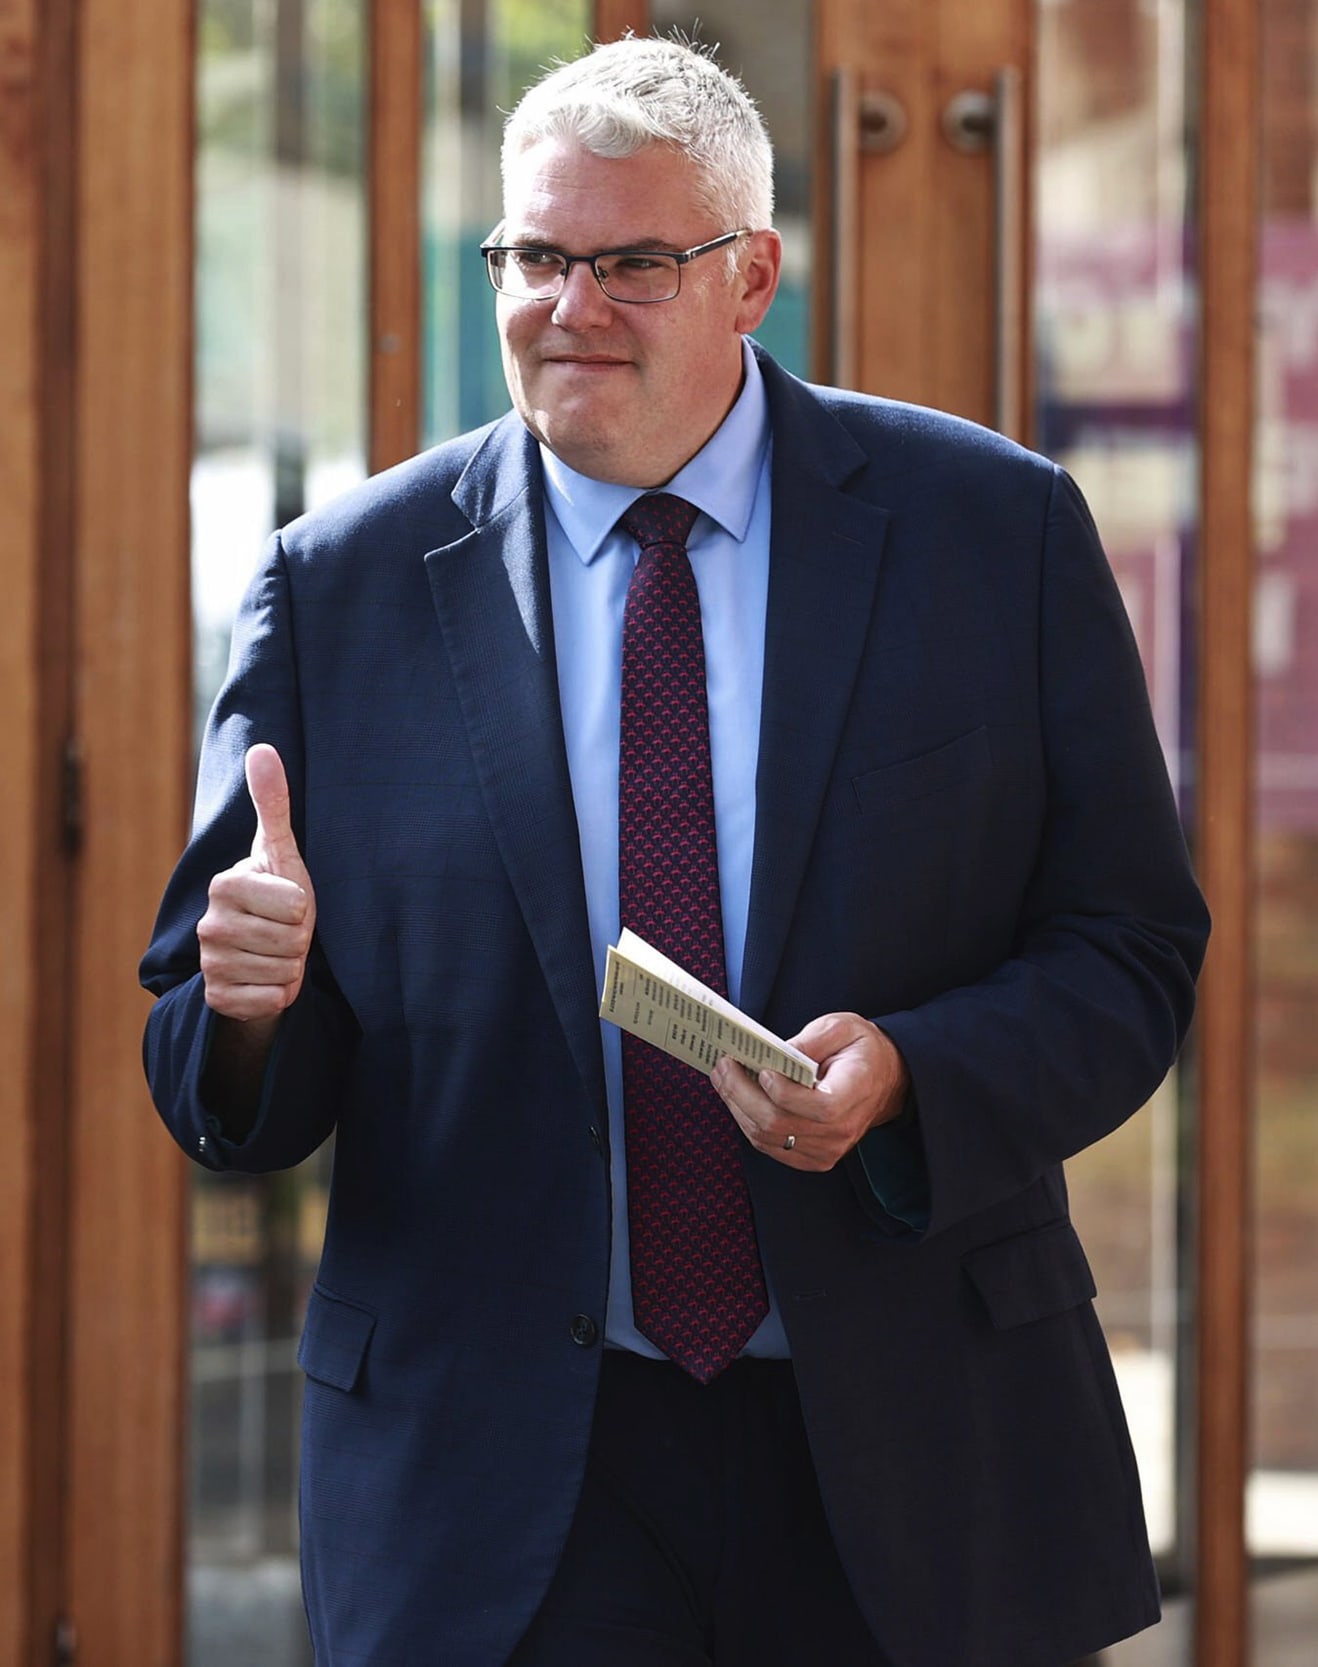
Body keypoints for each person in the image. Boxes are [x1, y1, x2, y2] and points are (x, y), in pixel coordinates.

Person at [141, 37, 1204, 1667]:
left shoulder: (993, 536)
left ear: (752, 275)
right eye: (535, 257)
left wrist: (913, 1074)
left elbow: (1129, 949)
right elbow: (217, 1075)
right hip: (503, 1483)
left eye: (633, 263)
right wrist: (253, 1002)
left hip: (911, 1446)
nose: (571, 307)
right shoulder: (340, 586)